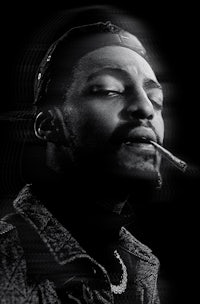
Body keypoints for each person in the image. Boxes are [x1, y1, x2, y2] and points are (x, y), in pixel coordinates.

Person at [0, 6, 167, 304]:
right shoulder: (7, 259)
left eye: (156, 99)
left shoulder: (141, 264)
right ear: (49, 125)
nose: (145, 108)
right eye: (110, 90)